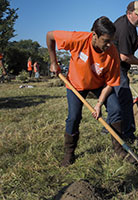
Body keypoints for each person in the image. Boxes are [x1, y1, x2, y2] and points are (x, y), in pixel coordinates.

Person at [46, 16, 132, 167]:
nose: (109, 44)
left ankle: (119, 150)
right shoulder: (77, 39)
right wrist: (53, 62)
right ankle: (69, 154)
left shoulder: (112, 53)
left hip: (100, 85)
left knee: (116, 110)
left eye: (111, 40)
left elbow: (111, 83)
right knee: (73, 117)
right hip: (76, 84)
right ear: (94, 35)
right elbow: (50, 35)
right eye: (106, 40)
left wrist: (99, 103)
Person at [113, 1, 138, 143]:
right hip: (116, 68)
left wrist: (137, 40)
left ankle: (110, 127)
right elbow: (124, 57)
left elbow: (129, 40)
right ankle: (128, 135)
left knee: (116, 100)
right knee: (125, 100)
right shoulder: (124, 28)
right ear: (129, 13)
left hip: (118, 67)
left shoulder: (130, 25)